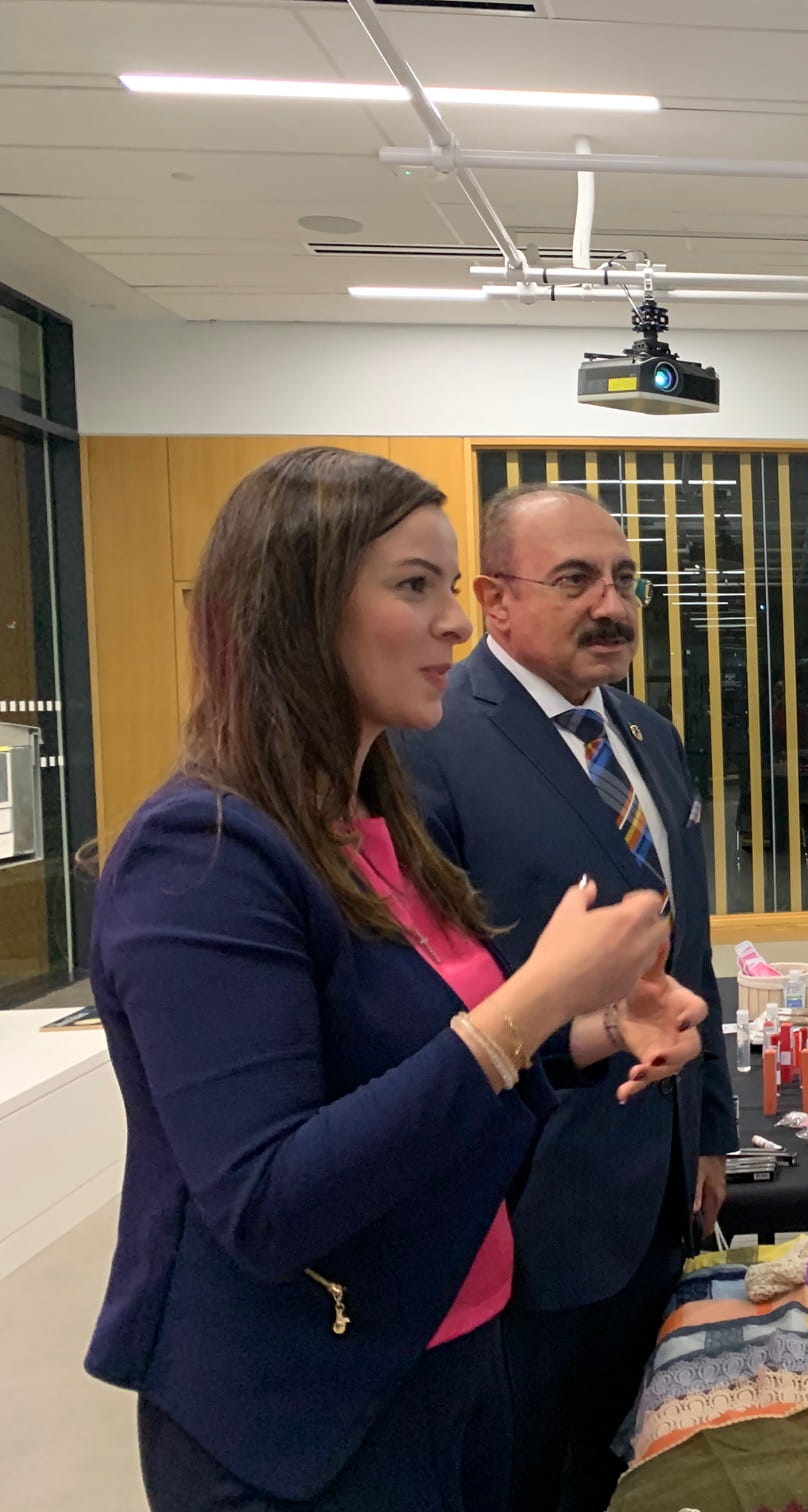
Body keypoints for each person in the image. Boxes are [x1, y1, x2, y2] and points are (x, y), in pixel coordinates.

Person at [84, 447, 710, 1510]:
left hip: (448, 1347)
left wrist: (595, 1024)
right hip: (311, 1406)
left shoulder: (370, 822)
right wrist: (536, 998)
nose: (453, 623)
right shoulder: (203, 852)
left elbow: (422, 1056)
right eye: (413, 586)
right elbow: (269, 1199)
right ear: (297, 607)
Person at [396, 482, 736, 1512]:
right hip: (528, 1194)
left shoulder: (650, 735)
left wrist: (712, 1128)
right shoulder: (428, 743)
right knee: (532, 1467)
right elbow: (425, 990)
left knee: (631, 1450)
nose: (614, 605)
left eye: (625, 579)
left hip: (664, 1171)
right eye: (576, 579)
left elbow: (693, 948)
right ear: (493, 600)